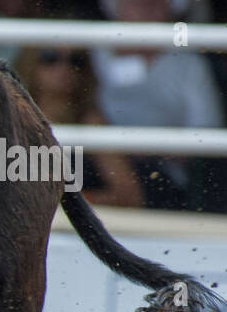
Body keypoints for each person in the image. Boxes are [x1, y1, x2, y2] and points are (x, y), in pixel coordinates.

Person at [90, 0, 225, 210]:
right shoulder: (91, 52)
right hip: (91, 165)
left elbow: (206, 136)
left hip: (163, 178)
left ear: (171, 9)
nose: (144, 9)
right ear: (116, 6)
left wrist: (148, 149)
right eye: (135, 0)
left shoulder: (189, 65)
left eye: (155, 1)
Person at [15, 45, 144, 207]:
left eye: (76, 61)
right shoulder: (12, 117)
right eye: (50, 57)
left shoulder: (90, 121)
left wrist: (73, 204)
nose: (64, 68)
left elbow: (128, 194)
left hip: (71, 227)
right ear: (30, 63)